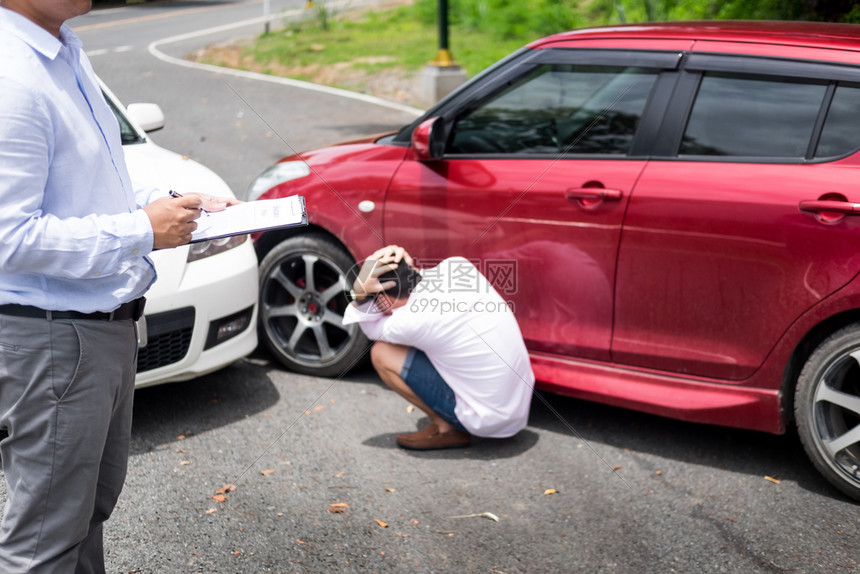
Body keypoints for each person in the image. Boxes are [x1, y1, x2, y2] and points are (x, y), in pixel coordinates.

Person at [0, 1, 238, 571]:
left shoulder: (63, 53)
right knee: (45, 542)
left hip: (97, 329)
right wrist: (143, 230)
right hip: (55, 336)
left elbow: (90, 186)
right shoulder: (12, 73)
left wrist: (177, 204)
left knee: (86, 515)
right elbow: (8, 238)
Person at [344, 245, 534, 450]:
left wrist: (359, 294)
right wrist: (402, 258)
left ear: (381, 298)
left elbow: (371, 330)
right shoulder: (456, 266)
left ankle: (448, 429)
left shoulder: (412, 322)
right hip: (518, 405)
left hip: (487, 419)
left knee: (381, 353)